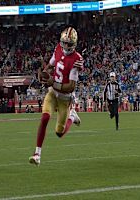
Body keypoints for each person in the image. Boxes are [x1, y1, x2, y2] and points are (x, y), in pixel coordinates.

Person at [29, 27, 83, 166]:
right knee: (45, 117)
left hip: (65, 99)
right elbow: (51, 65)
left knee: (59, 132)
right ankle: (37, 154)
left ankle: (72, 116)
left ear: (74, 44)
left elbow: (71, 86)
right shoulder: (58, 49)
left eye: (69, 44)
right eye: (64, 43)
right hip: (52, 94)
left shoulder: (76, 60)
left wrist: (54, 83)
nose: (66, 46)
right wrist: (44, 72)